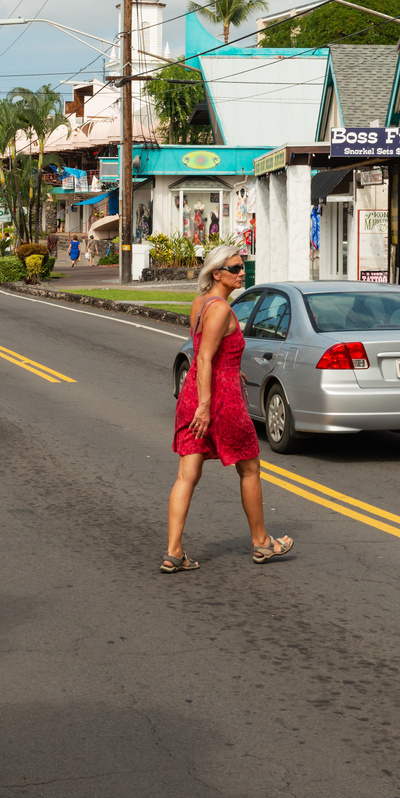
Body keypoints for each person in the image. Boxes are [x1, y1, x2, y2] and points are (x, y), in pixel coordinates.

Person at [163, 244, 294, 572]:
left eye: (242, 266)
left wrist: (232, 369)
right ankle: (262, 543)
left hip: (193, 395)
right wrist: (207, 406)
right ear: (216, 273)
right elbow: (205, 357)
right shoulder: (221, 308)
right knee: (249, 469)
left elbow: (207, 352)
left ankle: (174, 552)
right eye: (235, 268)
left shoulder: (199, 304)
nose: (241, 272)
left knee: (186, 476)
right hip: (220, 402)